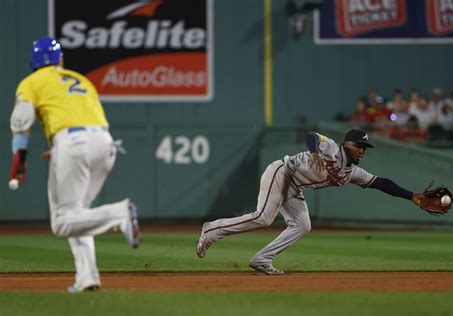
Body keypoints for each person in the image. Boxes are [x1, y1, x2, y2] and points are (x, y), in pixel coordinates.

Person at [8, 36, 140, 292]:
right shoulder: (81, 79)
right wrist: (60, 148)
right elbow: (84, 118)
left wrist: (19, 161)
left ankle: (120, 214)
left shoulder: (31, 82)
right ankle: (87, 277)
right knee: (79, 213)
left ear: (33, 62)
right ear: (60, 59)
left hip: (72, 143)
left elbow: (21, 124)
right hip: (104, 142)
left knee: (62, 222)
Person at [196, 129, 427, 274]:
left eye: (364, 148)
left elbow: (381, 183)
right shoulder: (332, 149)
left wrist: (412, 196)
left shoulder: (352, 172)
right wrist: (316, 153)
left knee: (303, 225)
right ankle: (211, 230)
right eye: (358, 145)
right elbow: (312, 137)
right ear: (347, 144)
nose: (361, 151)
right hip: (281, 173)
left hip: (295, 187)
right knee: (263, 217)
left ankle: (262, 260)